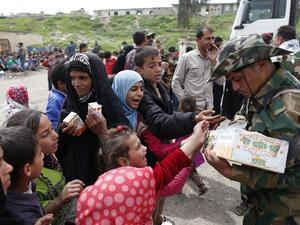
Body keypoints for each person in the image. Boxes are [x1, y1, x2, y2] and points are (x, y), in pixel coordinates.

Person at [205, 34, 300, 225]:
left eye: (238, 78)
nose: (234, 87)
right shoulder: (262, 88)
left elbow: (295, 175)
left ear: (262, 64)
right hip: (260, 210)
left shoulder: (289, 111)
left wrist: (234, 172)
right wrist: (234, 135)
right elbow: (246, 112)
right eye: (231, 80)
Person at [76, 120, 209, 225]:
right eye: (139, 146)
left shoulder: (96, 187)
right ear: (123, 161)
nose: (145, 148)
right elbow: (168, 175)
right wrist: (193, 143)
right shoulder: (134, 181)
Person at [57, 52, 129, 186]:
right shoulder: (70, 101)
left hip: (104, 179)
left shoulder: (110, 105)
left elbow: (126, 145)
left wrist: (103, 133)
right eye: (72, 78)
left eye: (83, 78)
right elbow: (58, 145)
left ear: (95, 78)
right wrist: (64, 131)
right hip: (74, 179)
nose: (76, 84)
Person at [6, 110, 85, 225]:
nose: (55, 135)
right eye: (45, 134)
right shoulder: (28, 178)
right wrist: (60, 199)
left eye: (52, 129)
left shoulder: (50, 155)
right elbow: (38, 214)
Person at [136, 46, 224, 140]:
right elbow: (160, 120)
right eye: (151, 66)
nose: (158, 69)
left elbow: (169, 115)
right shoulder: (142, 94)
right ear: (139, 70)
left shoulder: (160, 87)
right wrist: (193, 118)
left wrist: (193, 117)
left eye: (160, 64)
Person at [0, 126, 54, 225]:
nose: (42, 155)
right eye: (39, 153)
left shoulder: (28, 185)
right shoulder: (22, 218)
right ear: (27, 169)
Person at [172, 27, 224, 112]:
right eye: (207, 39)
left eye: (213, 38)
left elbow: (221, 82)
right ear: (197, 40)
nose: (211, 42)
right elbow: (176, 82)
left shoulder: (214, 58)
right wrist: (184, 102)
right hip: (191, 111)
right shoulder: (187, 58)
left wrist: (214, 63)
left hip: (209, 109)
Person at [45, 61, 67, 131]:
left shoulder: (63, 95)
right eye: (70, 81)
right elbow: (54, 125)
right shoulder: (55, 100)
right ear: (60, 84)